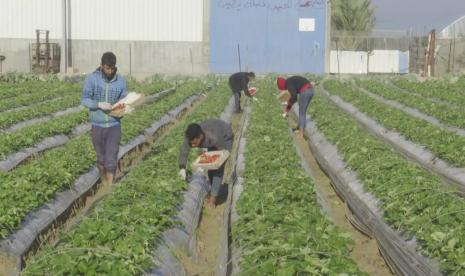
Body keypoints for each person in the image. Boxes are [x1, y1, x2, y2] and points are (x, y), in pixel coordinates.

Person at [81, 52, 128, 186]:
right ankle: (103, 180)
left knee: (111, 158)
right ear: (101, 66)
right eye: (107, 68)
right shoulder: (92, 79)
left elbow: (124, 98)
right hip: (97, 125)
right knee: (101, 159)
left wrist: (123, 106)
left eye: (112, 68)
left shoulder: (120, 81)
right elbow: (84, 99)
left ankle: (109, 186)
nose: (110, 71)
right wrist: (98, 104)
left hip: (114, 125)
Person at [178, 119, 234, 207]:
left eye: (195, 143)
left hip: (225, 136)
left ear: (200, 136)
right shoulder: (191, 136)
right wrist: (182, 168)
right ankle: (214, 190)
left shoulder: (213, 137)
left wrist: (214, 161)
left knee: (218, 168)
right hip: (211, 137)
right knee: (210, 168)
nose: (192, 146)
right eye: (191, 143)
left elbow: (222, 154)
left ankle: (213, 198)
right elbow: (184, 151)